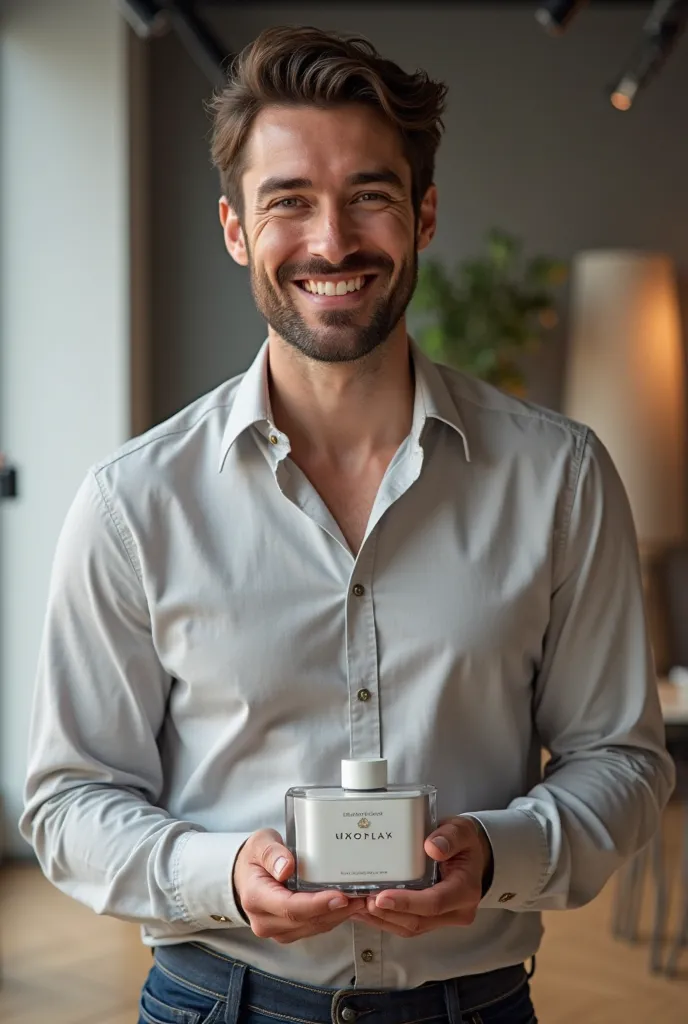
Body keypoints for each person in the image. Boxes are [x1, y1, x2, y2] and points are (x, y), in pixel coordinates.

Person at [20, 24, 673, 1024]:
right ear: (237, 228)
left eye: (369, 194)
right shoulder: (132, 502)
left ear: (423, 214)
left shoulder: (560, 475)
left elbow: (623, 761)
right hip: (215, 1000)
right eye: (289, 201)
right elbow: (68, 803)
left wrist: (498, 852)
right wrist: (223, 873)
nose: (331, 242)